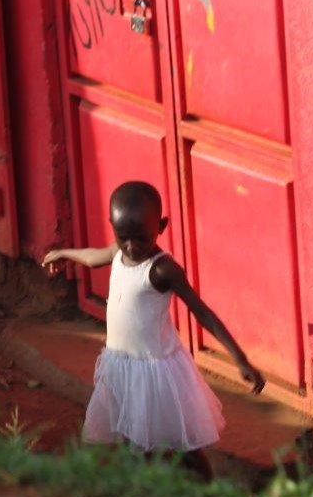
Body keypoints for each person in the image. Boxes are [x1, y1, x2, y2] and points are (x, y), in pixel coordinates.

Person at [43, 181, 265, 480]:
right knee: (131, 435)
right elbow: (93, 256)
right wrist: (63, 253)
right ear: (113, 228)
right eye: (124, 238)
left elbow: (203, 313)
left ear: (161, 226)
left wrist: (240, 359)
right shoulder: (118, 253)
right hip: (121, 366)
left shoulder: (162, 270)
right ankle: (151, 491)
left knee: (182, 443)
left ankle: (209, 488)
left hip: (155, 374)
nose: (132, 246)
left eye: (141, 238)